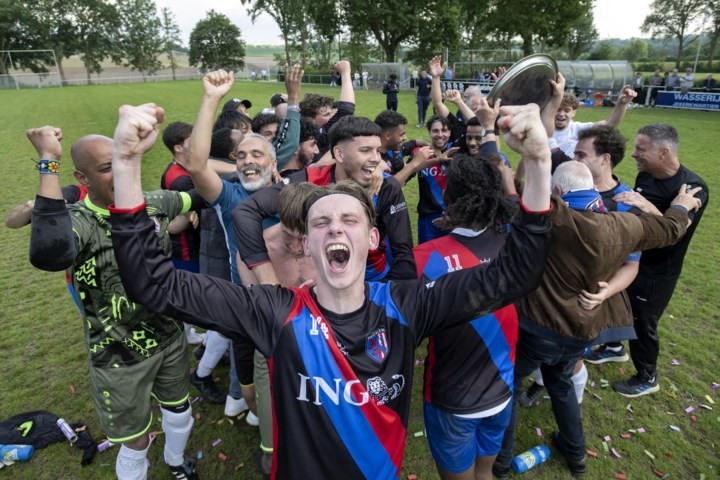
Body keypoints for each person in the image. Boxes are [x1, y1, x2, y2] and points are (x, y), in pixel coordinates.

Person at [108, 101, 555, 480]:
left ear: (371, 239)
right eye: (321, 222)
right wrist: (126, 164)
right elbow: (153, 283)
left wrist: (537, 163)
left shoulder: (407, 305)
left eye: (350, 220)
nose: (335, 228)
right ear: (306, 244)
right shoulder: (275, 312)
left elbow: (514, 273)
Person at [493, 160, 702, 478]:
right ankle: (576, 455)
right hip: (582, 331)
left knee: (507, 384)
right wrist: (681, 206)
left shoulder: (554, 218)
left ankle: (502, 460)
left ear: (559, 191)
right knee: (560, 384)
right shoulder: (624, 224)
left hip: (539, 330)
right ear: (592, 188)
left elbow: (515, 203)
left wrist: (508, 175)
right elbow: (670, 231)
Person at [27, 127, 201, 480]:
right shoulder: (79, 220)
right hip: (118, 356)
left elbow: (204, 194)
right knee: (135, 442)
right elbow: (49, 252)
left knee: (180, 410)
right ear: (82, 178)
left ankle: (176, 461)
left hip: (168, 338)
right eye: (108, 167)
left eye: (125, 163)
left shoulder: (154, 203)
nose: (121, 174)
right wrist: (48, 162)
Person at [387, 154, 520, 480]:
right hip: (503, 388)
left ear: (447, 196)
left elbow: (390, 328)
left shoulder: (421, 260)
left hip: (454, 399)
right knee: (485, 472)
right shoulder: (515, 243)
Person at [233, 115, 414, 284]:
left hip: (372, 279)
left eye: (377, 150)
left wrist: (386, 298)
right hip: (322, 282)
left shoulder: (387, 186)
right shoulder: (310, 179)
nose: (376, 159)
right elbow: (245, 212)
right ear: (340, 154)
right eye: (365, 151)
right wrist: (265, 274)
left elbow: (403, 254)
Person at [611, 123, 709, 397]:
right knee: (619, 303)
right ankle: (613, 347)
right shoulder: (646, 175)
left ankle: (647, 376)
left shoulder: (693, 188)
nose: (633, 154)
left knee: (643, 322)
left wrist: (646, 207)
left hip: (658, 271)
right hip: (633, 258)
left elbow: (674, 233)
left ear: (663, 152)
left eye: (640, 149)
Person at [160, 121, 207, 346]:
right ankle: (186, 332)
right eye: (192, 140)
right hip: (186, 247)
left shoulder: (180, 170)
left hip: (187, 244)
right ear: (179, 148)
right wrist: (191, 211)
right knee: (189, 290)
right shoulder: (180, 179)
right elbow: (182, 215)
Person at [551, 83, 637, 159]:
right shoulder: (542, 128)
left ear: (573, 113)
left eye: (567, 111)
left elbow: (609, 124)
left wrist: (622, 104)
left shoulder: (577, 128)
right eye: (558, 109)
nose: (561, 114)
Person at [299, 60, 355, 161]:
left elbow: (346, 109)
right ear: (310, 118)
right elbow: (347, 109)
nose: (331, 117)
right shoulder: (305, 136)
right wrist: (345, 72)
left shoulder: (322, 129)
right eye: (326, 114)